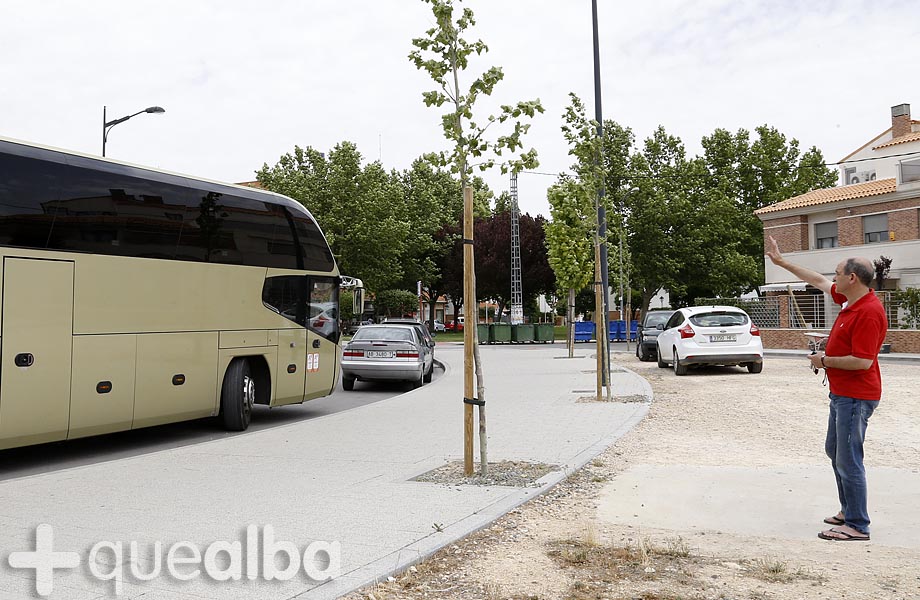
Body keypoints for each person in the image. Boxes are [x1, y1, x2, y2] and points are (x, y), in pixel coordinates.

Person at [765, 236, 887, 542]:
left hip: (856, 397)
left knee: (848, 458)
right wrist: (781, 262)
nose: (832, 278)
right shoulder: (850, 301)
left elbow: (862, 362)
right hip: (842, 395)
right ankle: (848, 510)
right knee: (835, 451)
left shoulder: (869, 312)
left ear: (852, 278)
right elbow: (817, 279)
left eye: (837, 273)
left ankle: (858, 525)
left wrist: (824, 359)